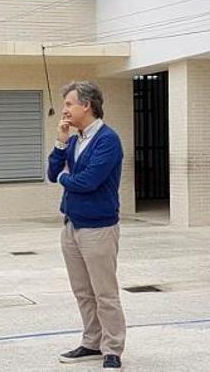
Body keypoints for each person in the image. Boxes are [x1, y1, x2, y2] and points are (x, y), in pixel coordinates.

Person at [48, 81, 126, 370]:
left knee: (105, 292)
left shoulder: (108, 140)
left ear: (87, 105)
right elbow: (52, 171)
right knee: (82, 291)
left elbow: (87, 182)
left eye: (69, 104)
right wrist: (60, 142)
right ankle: (92, 341)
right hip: (72, 225)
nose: (64, 109)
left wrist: (64, 178)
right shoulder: (75, 139)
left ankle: (113, 348)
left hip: (99, 228)